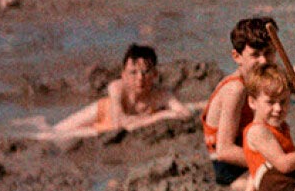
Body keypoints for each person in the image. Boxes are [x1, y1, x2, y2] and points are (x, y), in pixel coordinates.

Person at [28, 44, 193, 140]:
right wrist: (160, 116)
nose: (140, 78)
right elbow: (119, 123)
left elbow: (185, 114)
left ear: (155, 74)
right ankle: (39, 121)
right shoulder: (116, 87)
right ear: (123, 74)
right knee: (50, 134)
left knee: (70, 136)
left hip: (109, 127)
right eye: (133, 73)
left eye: (145, 72)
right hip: (103, 112)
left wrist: (138, 120)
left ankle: (41, 122)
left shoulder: (161, 94)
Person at [201, 18, 274, 189]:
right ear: (237, 56)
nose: (263, 61)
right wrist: (273, 161)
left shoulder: (258, 80)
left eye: (269, 53)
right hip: (233, 170)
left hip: (253, 151)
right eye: (255, 55)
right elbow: (224, 151)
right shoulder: (236, 89)